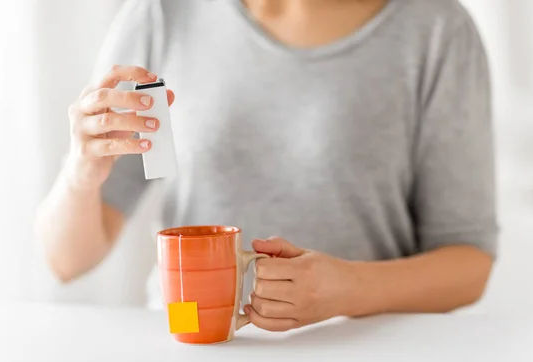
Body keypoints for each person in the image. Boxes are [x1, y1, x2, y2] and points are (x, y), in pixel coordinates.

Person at [35, 0, 498, 332]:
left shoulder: (438, 29)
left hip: (363, 352)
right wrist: (81, 174)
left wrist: (348, 289)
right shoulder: (163, 15)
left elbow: (468, 263)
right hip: (188, 347)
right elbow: (66, 261)